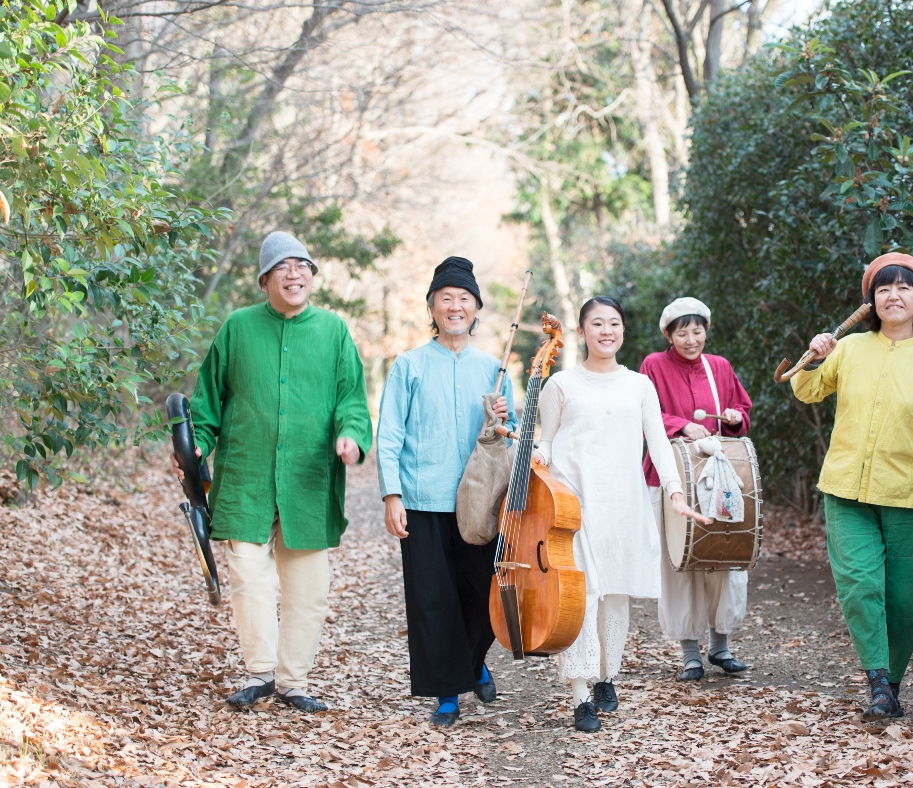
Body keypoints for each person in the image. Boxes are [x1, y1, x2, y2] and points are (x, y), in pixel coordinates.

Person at [175, 230, 372, 713]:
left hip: (309, 480)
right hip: (245, 476)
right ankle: (260, 673)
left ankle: (293, 682)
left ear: (311, 277)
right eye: (282, 267)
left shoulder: (333, 332)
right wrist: (194, 446)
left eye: (302, 265)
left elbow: (352, 399)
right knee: (249, 577)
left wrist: (351, 436)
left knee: (309, 590)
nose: (293, 273)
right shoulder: (237, 328)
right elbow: (205, 405)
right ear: (264, 279)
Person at [789, 252, 913, 721]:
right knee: (860, 587)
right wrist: (813, 358)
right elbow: (805, 389)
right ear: (871, 301)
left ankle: (892, 683)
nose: (893, 295)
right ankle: (877, 682)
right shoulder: (849, 348)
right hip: (845, 492)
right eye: (883, 289)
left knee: (907, 600)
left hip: (909, 497)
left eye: (904, 287)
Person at [532, 296, 709, 733]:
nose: (606, 330)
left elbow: (659, 443)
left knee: (614, 597)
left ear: (623, 331)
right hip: (573, 507)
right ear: (582, 332)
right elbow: (548, 442)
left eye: (614, 323)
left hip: (623, 503)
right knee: (579, 598)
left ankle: (607, 676)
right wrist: (534, 455)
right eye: (597, 324)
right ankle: (579, 695)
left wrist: (674, 491)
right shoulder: (560, 386)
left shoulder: (638, 385)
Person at [375, 256, 516, 727]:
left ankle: (474, 662)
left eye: (464, 300)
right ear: (432, 307)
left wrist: (502, 417)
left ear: (476, 310)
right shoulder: (409, 366)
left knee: (483, 593)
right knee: (433, 599)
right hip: (424, 499)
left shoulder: (493, 369)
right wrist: (392, 494)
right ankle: (448, 693)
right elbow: (390, 433)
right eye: (446, 298)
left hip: (480, 501)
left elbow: (511, 433)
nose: (455, 307)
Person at [638, 297, 754, 681]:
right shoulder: (653, 365)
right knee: (681, 560)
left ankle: (721, 647)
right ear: (668, 335)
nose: (691, 339)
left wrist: (736, 418)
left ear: (706, 330)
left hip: (717, 473)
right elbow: (644, 413)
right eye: (682, 332)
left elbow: (742, 412)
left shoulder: (718, 366)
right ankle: (690, 653)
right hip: (669, 473)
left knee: (726, 552)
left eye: (697, 330)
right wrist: (681, 424)